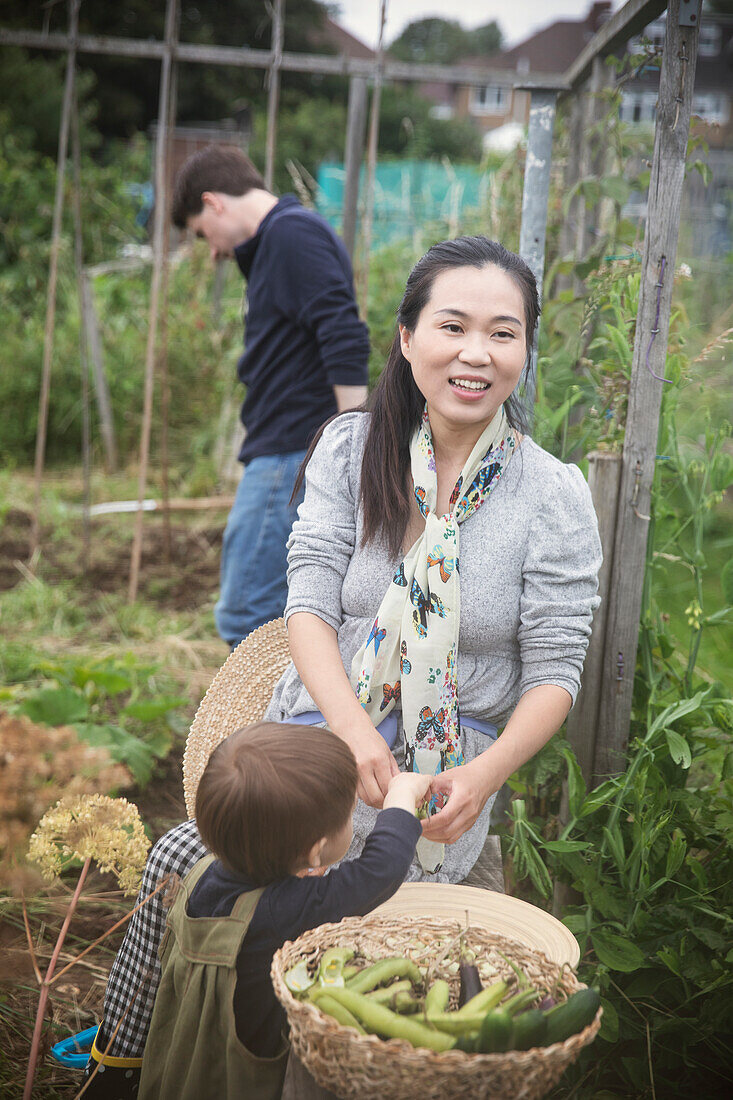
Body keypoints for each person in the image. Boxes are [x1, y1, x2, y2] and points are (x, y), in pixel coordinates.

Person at [89, 235, 602, 1083]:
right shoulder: (348, 448)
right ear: (406, 339)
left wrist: (483, 778)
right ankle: (141, 1061)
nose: (476, 353)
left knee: (404, 967)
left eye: (503, 332)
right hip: (317, 742)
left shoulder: (550, 496)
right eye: (452, 326)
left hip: (449, 777)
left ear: (524, 349)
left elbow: (555, 669)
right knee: (183, 865)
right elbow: (308, 603)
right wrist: (355, 734)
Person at [88, 723, 429, 1099]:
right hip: (235, 1082)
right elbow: (379, 871)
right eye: (350, 815)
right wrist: (402, 796)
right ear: (315, 851)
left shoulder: (199, 874)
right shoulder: (285, 911)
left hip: (177, 1065)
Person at [171, 146, 369, 648]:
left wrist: (352, 438)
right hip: (284, 446)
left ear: (214, 203)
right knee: (273, 605)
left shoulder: (292, 235)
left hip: (291, 449)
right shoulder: (276, 242)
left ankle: (272, 725)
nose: (212, 251)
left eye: (201, 233)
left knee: (248, 612)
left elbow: (343, 331)